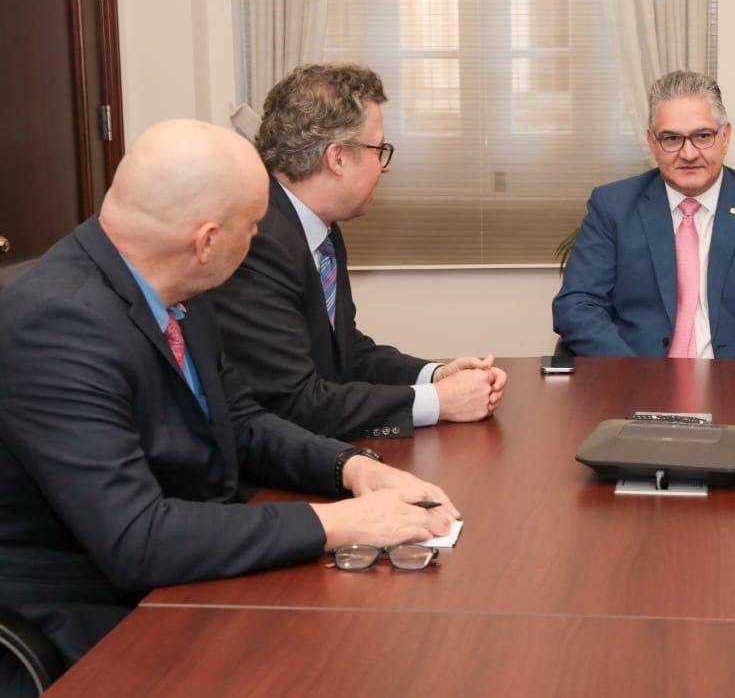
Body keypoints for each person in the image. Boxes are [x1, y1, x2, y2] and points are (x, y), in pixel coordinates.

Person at [0, 121, 460, 690]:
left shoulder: (172, 285)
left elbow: (239, 422)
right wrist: (338, 523)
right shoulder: (56, 324)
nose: (258, 239)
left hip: (187, 570)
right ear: (207, 241)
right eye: (252, 226)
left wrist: (352, 468)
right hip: (93, 618)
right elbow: (137, 539)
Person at [211, 64, 506, 441]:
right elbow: (295, 403)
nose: (383, 167)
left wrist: (435, 376)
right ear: (337, 158)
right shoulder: (258, 240)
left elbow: (346, 352)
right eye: (379, 149)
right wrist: (438, 401)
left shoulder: (318, 228)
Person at [552, 70, 735, 360]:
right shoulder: (613, 207)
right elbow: (576, 306)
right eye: (672, 138)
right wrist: (633, 374)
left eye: (702, 136)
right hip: (639, 376)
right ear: (652, 142)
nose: (688, 153)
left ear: (725, 136)